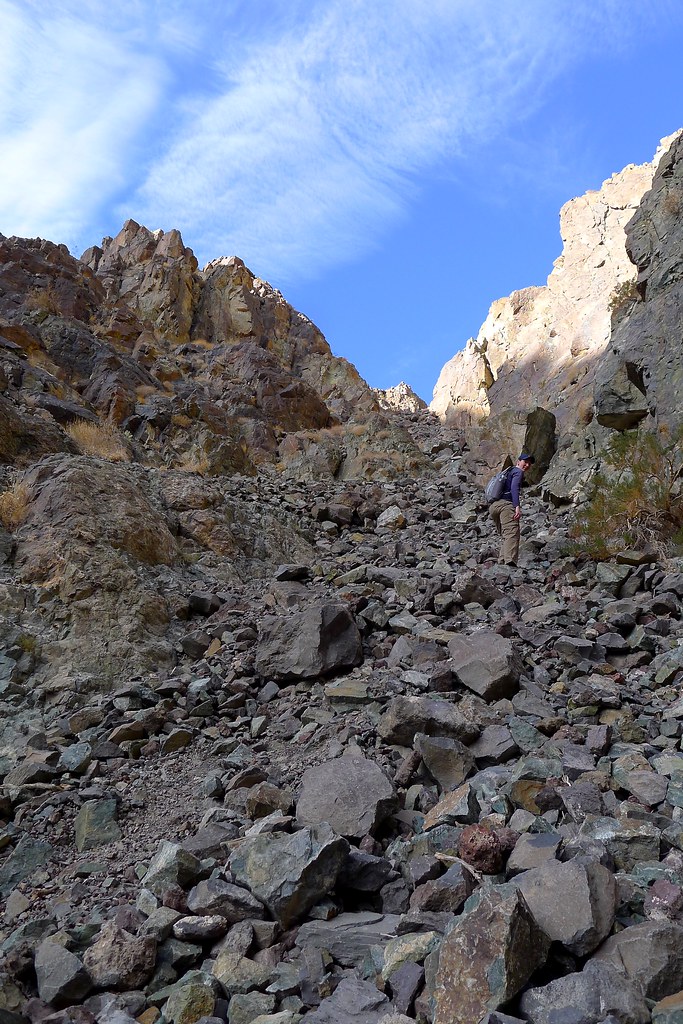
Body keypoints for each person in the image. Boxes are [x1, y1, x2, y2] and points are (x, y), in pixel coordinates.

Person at [489, 453, 535, 566]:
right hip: (506, 505)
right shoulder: (518, 472)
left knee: (506, 535)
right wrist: (517, 507)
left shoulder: (508, 471)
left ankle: (501, 562)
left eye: (529, 463)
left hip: (494, 506)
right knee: (512, 534)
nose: (527, 465)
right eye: (525, 462)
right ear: (518, 461)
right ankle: (509, 562)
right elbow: (514, 488)